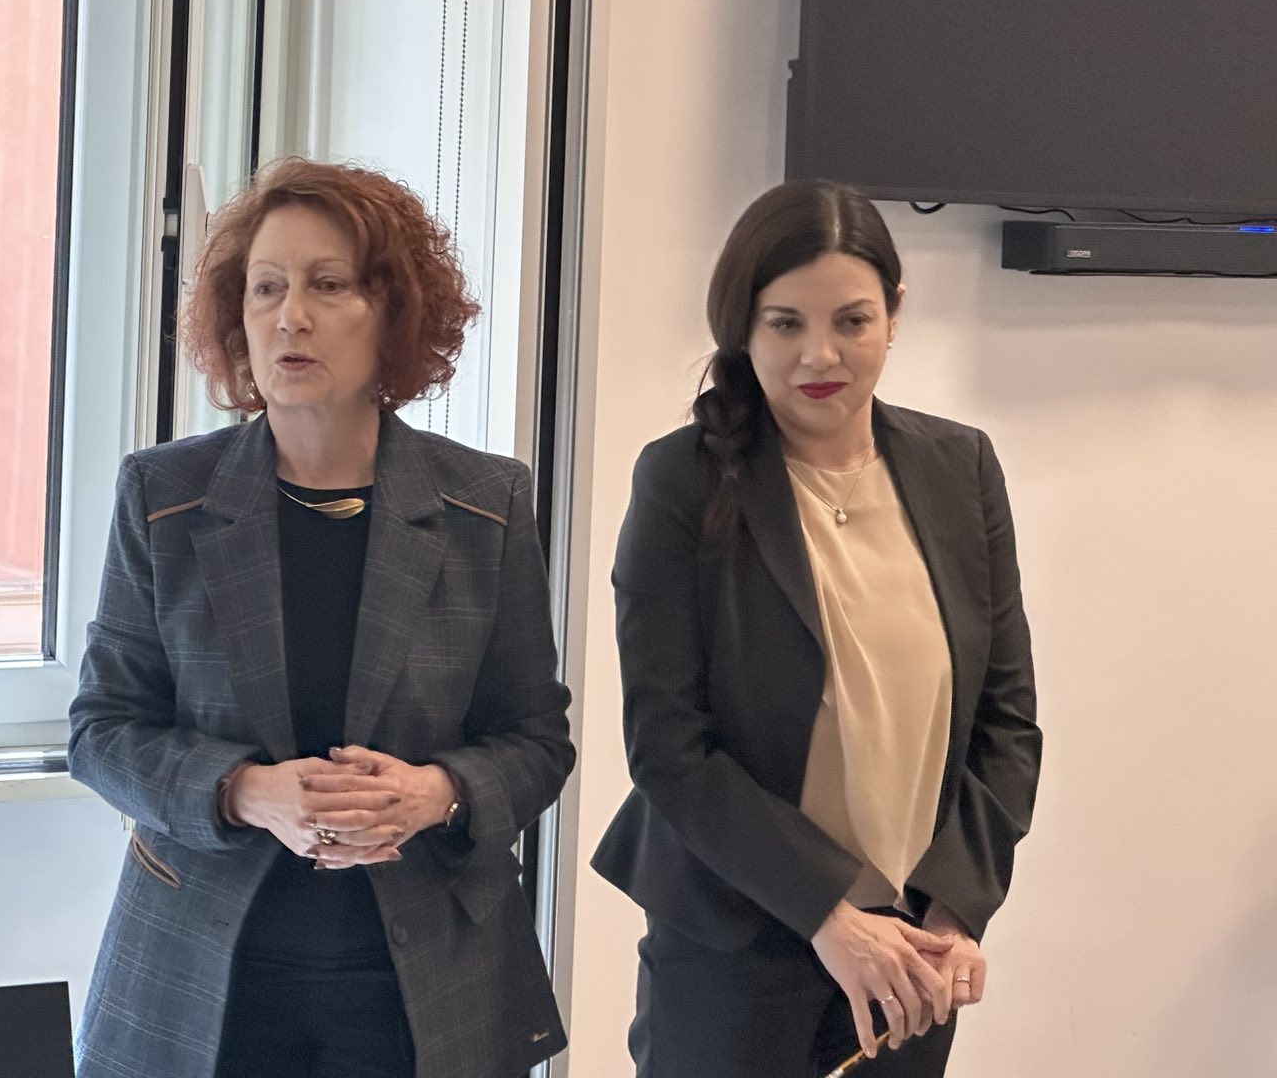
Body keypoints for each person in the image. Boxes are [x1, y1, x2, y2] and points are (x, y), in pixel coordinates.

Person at [69, 158, 574, 1078]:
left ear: (395, 314)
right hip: (207, 976)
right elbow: (102, 732)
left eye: (328, 285)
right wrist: (243, 792)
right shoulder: (165, 495)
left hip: (423, 984)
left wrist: (438, 792)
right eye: (266, 288)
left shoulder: (485, 505)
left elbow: (536, 741)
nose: (290, 316)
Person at [591, 180, 1042, 1076]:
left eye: (852, 320)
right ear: (743, 328)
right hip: (736, 939)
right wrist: (831, 919)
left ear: (894, 314)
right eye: (785, 323)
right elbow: (669, 745)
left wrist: (953, 912)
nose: (819, 354)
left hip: (914, 947)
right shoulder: (680, 481)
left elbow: (1007, 722)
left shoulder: (961, 468)